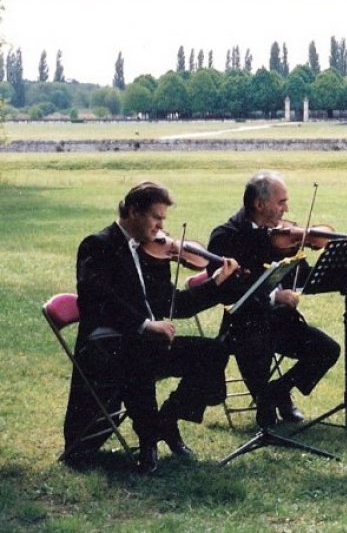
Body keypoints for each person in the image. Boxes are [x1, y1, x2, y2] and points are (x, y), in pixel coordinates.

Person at [67, 181, 241, 474]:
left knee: (214, 351)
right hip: (106, 346)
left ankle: (167, 420)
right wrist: (144, 326)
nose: (161, 226)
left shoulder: (155, 252)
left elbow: (176, 304)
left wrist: (216, 284)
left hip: (145, 344)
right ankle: (148, 441)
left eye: (163, 219)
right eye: (156, 217)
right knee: (140, 355)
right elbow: (99, 301)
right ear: (134, 212)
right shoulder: (98, 244)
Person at [207, 171, 341, 430]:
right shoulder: (226, 236)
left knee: (327, 350)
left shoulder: (280, 236)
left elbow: (304, 274)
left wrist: (338, 252)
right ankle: (264, 403)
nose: (286, 208)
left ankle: (277, 391)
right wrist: (273, 295)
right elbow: (228, 290)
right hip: (244, 327)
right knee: (257, 344)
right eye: (281, 202)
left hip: (280, 322)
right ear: (260, 205)